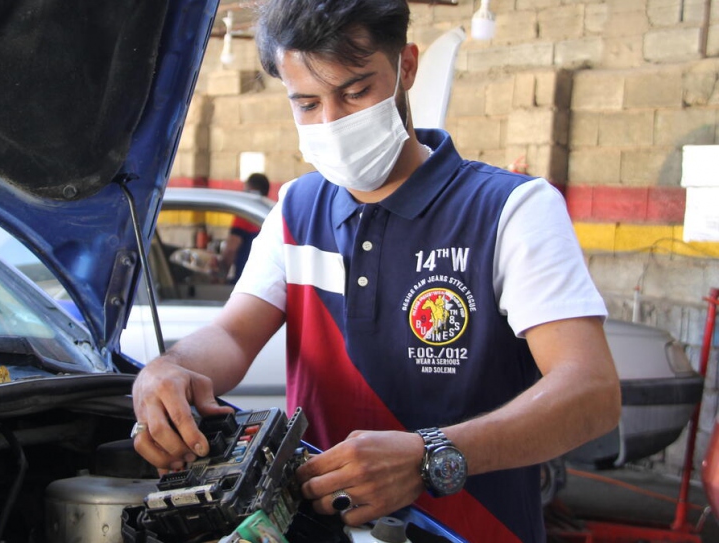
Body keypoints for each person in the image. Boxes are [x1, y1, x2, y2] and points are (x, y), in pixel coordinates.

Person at [130, 1, 621, 541]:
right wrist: (170, 370)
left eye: (356, 91)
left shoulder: (511, 210)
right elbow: (230, 334)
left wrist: (428, 456)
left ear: (406, 67)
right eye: (308, 103)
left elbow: (590, 391)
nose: (332, 123)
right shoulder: (296, 210)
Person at [215, 173, 271, 283]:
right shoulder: (270, 213)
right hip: (266, 281)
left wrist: (221, 276)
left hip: (246, 281)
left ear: (249, 189)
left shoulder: (245, 215)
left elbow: (231, 248)